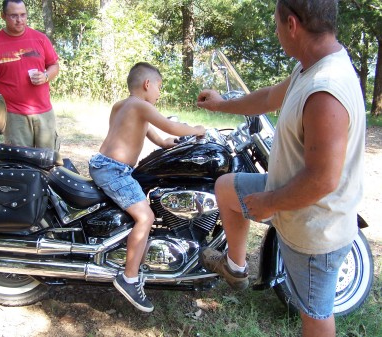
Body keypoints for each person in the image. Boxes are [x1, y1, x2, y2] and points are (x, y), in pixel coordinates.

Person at [196, 1, 365, 336]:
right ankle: (235, 267)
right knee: (227, 187)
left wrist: (270, 202)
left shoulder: (325, 90)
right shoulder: (311, 67)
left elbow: (322, 179)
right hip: (291, 199)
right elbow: (269, 97)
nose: (276, 34)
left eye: (276, 25)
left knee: (315, 317)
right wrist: (220, 105)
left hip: (316, 228)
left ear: (292, 24)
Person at [89, 62, 205, 312]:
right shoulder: (141, 105)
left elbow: (157, 135)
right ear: (147, 84)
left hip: (105, 164)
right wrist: (197, 130)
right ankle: (128, 278)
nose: (159, 94)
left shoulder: (122, 105)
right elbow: (171, 126)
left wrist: (172, 144)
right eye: (159, 88)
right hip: (114, 169)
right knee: (146, 217)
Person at [0, 0, 60, 150]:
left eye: (23, 15)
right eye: (14, 16)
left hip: (44, 111)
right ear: (3, 16)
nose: (19, 20)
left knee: (48, 161)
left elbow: (54, 65)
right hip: (13, 115)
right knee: (20, 164)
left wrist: (46, 76)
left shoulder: (40, 38)